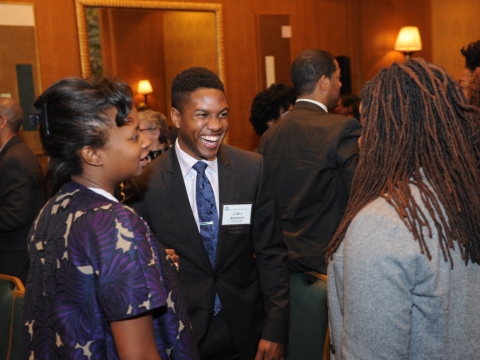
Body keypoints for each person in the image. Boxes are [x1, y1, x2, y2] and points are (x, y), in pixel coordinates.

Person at [22, 77, 198, 359]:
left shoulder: (54, 207)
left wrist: (154, 262)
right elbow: (138, 354)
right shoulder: (117, 223)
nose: (145, 142)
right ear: (92, 154)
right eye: (133, 136)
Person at [127, 67, 290, 360]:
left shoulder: (252, 169)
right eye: (202, 115)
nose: (215, 125)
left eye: (223, 113)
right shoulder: (145, 183)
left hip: (246, 333)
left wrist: (275, 330)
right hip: (181, 336)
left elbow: (272, 254)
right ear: (176, 118)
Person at [326, 58, 480, 359]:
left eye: (365, 123)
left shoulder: (381, 225)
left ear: (383, 132)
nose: (360, 138)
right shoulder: (466, 200)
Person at [258, 48, 360, 359]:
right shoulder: (343, 128)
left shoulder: (269, 137)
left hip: (278, 278)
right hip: (327, 274)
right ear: (324, 81)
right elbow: (360, 201)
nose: (341, 86)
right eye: (339, 79)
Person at [0, 97, 47, 284]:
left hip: (15, 262)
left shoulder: (14, 159)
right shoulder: (17, 153)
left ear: (2, 121)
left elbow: (15, 215)